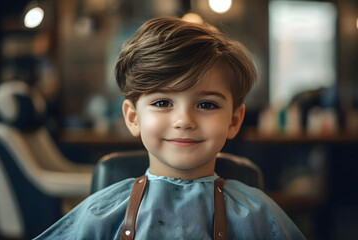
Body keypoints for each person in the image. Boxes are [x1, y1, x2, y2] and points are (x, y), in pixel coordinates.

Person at [34, 17, 305, 239]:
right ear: (133, 118)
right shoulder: (100, 214)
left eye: (207, 105)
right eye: (163, 102)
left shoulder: (258, 215)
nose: (184, 120)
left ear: (234, 120)